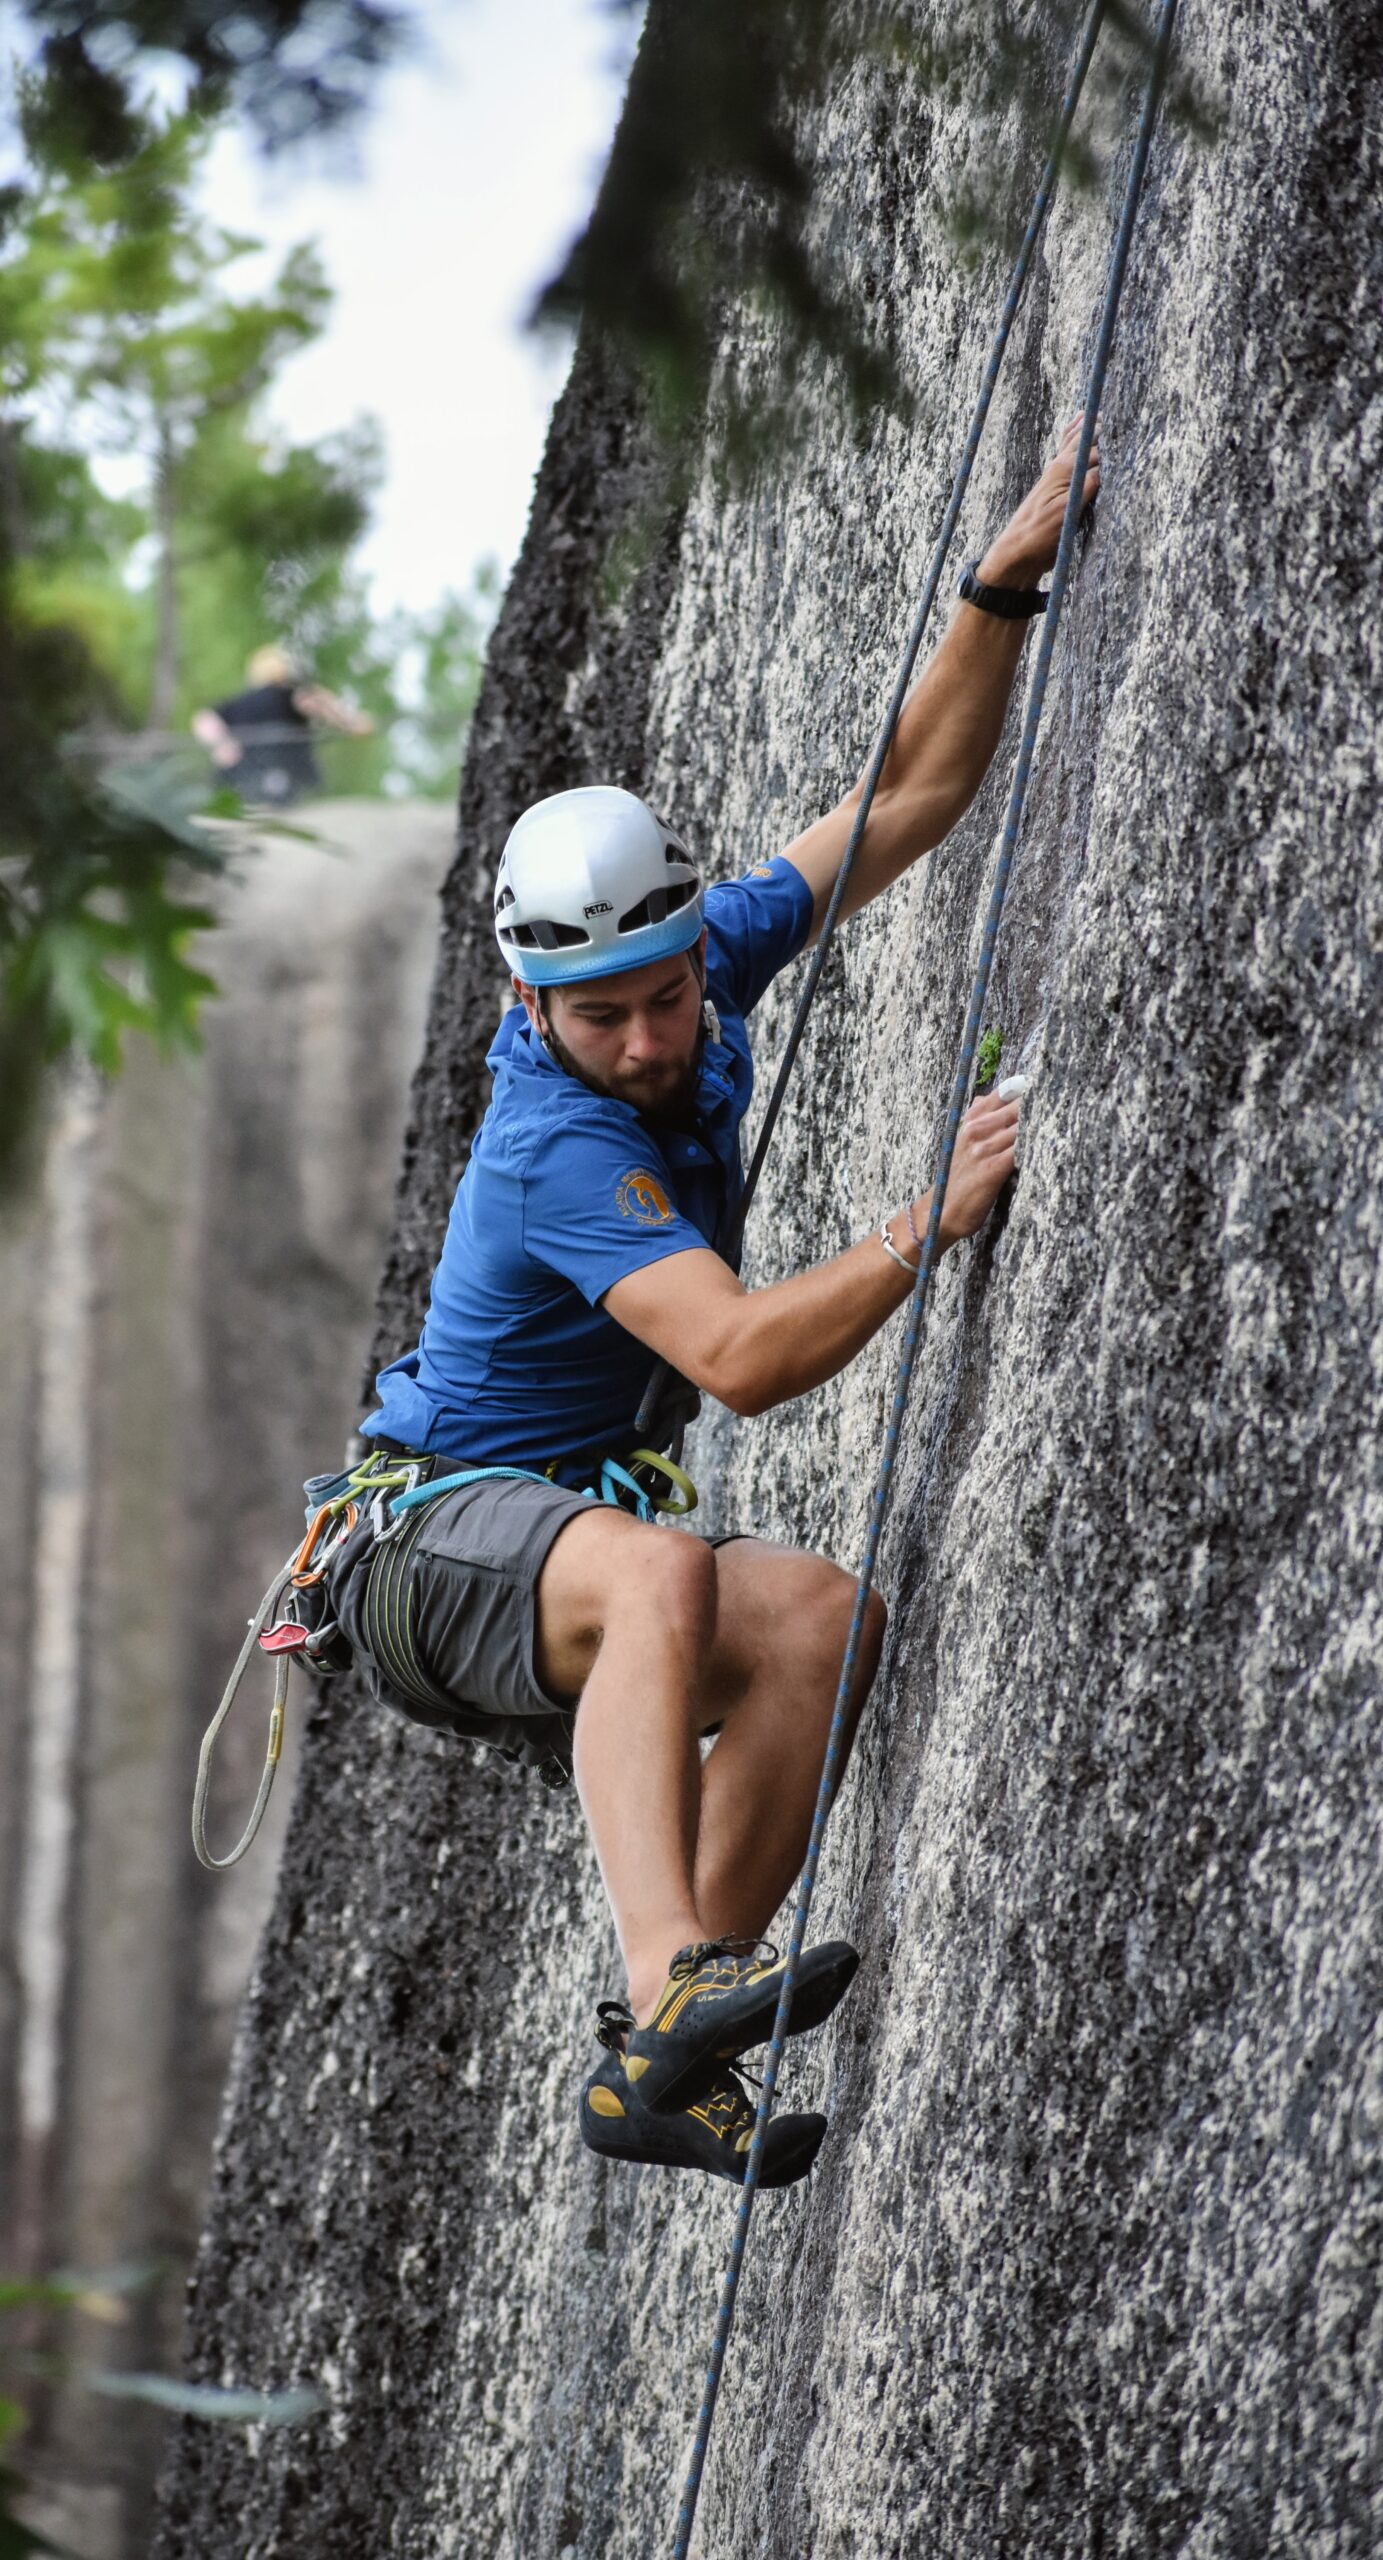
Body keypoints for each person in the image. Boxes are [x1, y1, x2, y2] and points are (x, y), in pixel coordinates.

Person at [326, 418, 1100, 2187]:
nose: (649, 1039)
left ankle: (654, 2061)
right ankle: (672, 1970)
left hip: (544, 1544)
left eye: (667, 995)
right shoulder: (552, 1143)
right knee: (661, 1567)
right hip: (415, 1553)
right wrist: (925, 1227)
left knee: (823, 1624)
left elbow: (902, 798)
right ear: (531, 1008)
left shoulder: (694, 960)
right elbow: (742, 1361)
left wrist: (996, 580)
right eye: (601, 1016)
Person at [191, 644, 374, 806]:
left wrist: (223, 744)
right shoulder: (288, 694)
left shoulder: (239, 703)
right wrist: (351, 722)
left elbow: (204, 719)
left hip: (239, 781)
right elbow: (314, 701)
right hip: (281, 777)